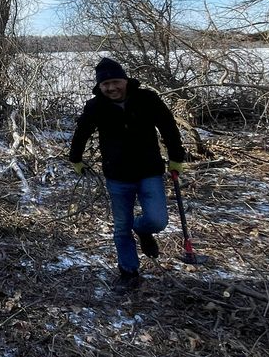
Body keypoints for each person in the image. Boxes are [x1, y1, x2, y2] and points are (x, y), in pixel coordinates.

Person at [68, 57, 186, 290]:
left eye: (115, 82)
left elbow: (168, 127)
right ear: (99, 86)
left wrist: (176, 157)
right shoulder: (95, 106)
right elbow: (82, 132)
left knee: (158, 220)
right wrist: (76, 159)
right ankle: (128, 272)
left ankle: (141, 228)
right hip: (117, 175)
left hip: (149, 171)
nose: (111, 88)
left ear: (125, 80)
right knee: (122, 227)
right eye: (105, 84)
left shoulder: (147, 99)